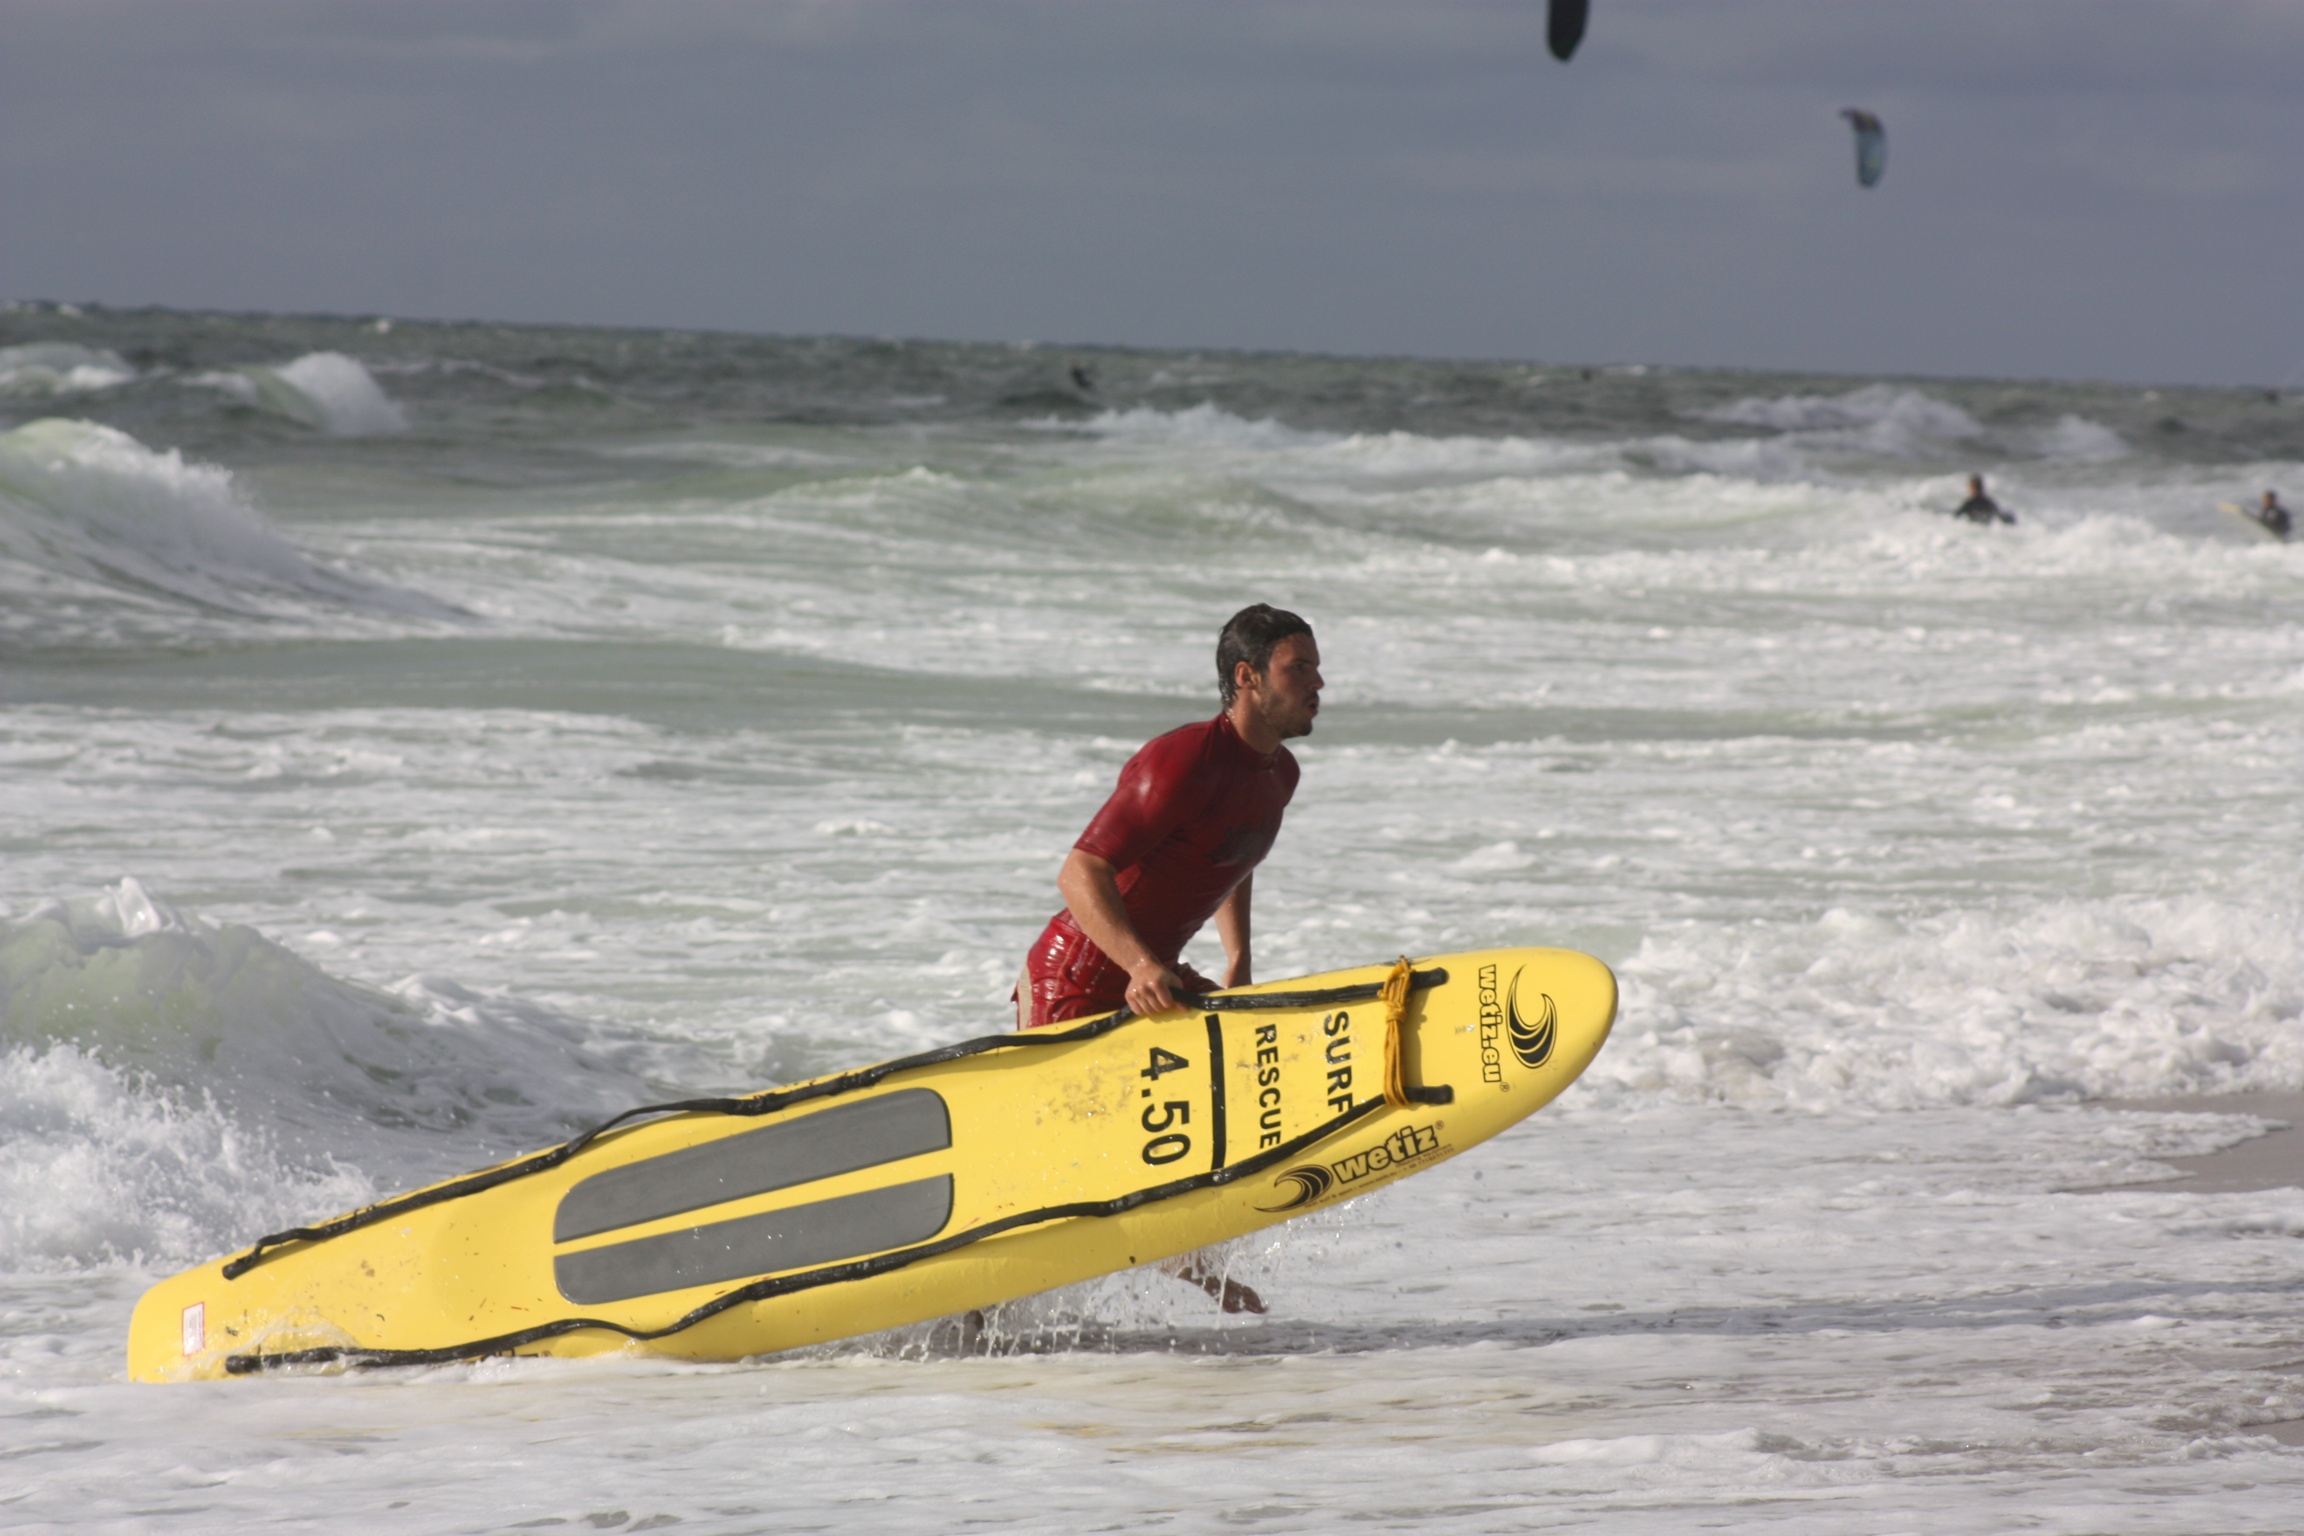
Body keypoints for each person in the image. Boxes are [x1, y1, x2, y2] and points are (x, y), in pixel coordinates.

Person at [1018, 603, 1320, 1029]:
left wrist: (1238, 961)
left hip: (1156, 975)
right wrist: (1139, 965)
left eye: (1316, 668)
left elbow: (1232, 854)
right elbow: (1080, 870)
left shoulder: (1280, 773)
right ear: (1247, 676)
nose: (1318, 683)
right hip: (1077, 978)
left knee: (1257, 1041)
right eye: (1299, 668)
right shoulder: (1184, 760)